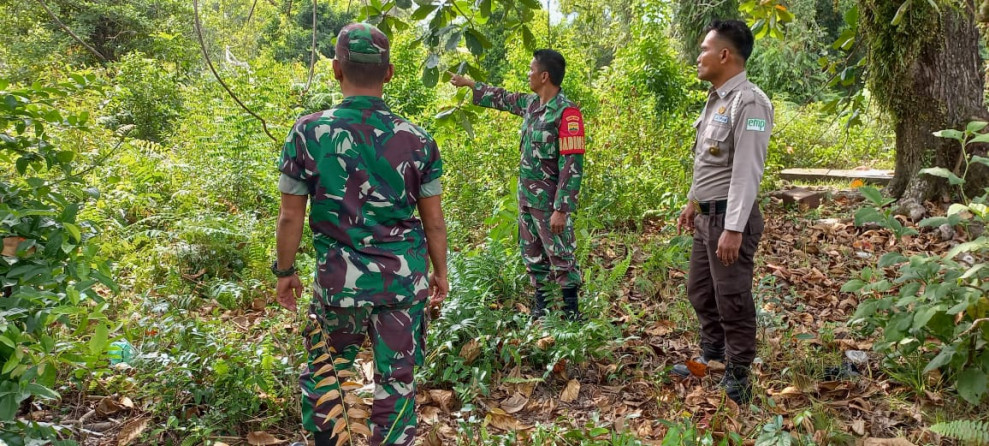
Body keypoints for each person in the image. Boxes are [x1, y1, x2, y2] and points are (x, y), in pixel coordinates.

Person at [273, 23, 448, 446]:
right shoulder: (417, 140)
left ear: (336, 69)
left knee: (327, 373)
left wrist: (284, 271)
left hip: (339, 285)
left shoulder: (308, 133)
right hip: (402, 283)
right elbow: (434, 221)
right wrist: (439, 272)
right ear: (388, 73)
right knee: (397, 379)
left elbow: (290, 217)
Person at [672, 19, 773, 405]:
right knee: (700, 290)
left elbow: (747, 170)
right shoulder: (717, 99)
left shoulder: (750, 102)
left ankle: (739, 373)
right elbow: (710, 163)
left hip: (730, 220)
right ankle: (713, 355)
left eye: (704, 50)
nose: (699, 57)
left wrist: (733, 228)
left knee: (731, 296)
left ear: (725, 54)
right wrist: (691, 202)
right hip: (705, 217)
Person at [449, 50, 585, 321]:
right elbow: (502, 97)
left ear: (544, 76)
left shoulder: (567, 114)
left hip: (549, 204)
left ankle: (571, 315)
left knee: (561, 256)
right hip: (527, 200)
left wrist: (562, 208)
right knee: (533, 256)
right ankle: (542, 309)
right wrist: (469, 84)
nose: (528, 73)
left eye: (531, 69)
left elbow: (572, 164)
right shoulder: (531, 104)